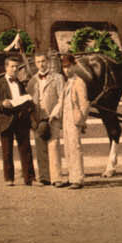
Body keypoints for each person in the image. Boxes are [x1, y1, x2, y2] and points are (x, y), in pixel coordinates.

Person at [0, 55, 35, 186]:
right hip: (5, 120)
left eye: (17, 67)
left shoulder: (20, 83)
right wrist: (2, 103)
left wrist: (27, 101)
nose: (15, 69)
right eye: (12, 66)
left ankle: (29, 178)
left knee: (25, 149)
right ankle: (9, 178)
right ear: (6, 67)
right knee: (7, 151)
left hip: (21, 120)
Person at [27, 53, 65, 186]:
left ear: (47, 62)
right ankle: (44, 176)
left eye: (43, 61)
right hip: (38, 117)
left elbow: (62, 98)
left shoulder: (58, 78)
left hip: (52, 116)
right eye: (38, 62)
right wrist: (32, 117)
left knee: (53, 145)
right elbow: (29, 100)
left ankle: (56, 178)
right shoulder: (32, 80)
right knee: (40, 146)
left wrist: (55, 113)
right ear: (35, 64)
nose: (41, 64)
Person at [53, 53, 90, 190]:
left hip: (74, 119)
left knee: (75, 148)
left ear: (74, 66)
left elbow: (84, 104)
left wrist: (80, 121)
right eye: (64, 68)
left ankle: (78, 178)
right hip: (66, 118)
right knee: (68, 148)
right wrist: (56, 114)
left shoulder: (79, 82)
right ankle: (71, 176)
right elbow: (62, 101)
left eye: (69, 67)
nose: (66, 70)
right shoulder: (67, 82)